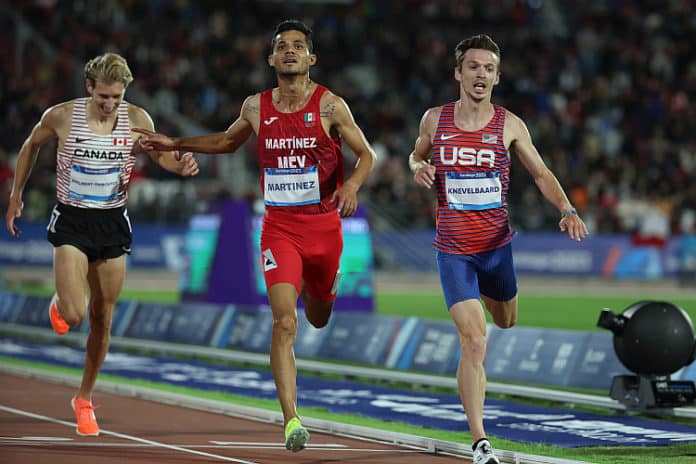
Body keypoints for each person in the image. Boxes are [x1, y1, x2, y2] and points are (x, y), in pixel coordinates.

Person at [135, 20, 376, 452]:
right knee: (284, 321)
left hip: (324, 229)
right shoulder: (254, 106)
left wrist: (352, 185)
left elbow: (367, 155)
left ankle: (328, 287)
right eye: (281, 46)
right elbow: (228, 143)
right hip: (279, 228)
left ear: (311, 58)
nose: (289, 52)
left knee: (318, 316)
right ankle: (291, 420)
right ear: (270, 58)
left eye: (298, 47)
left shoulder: (330, 106)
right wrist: (177, 143)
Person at [408, 35, 587, 464]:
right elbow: (415, 156)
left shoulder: (510, 124)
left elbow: (541, 173)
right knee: (474, 339)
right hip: (453, 250)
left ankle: (487, 298)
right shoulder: (435, 120)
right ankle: (479, 439)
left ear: (497, 77)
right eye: (473, 67)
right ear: (458, 73)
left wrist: (566, 207)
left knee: (506, 321)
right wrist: (420, 167)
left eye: (489, 69)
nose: (481, 75)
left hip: (496, 249)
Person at [4, 53, 199, 437]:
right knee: (75, 314)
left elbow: (161, 157)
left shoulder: (138, 119)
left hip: (112, 222)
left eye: (116, 96)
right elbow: (30, 145)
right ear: (89, 88)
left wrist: (179, 167)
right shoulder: (61, 116)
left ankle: (84, 398)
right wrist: (16, 196)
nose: (110, 104)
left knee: (102, 317)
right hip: (72, 220)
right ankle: (61, 302)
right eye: (103, 97)